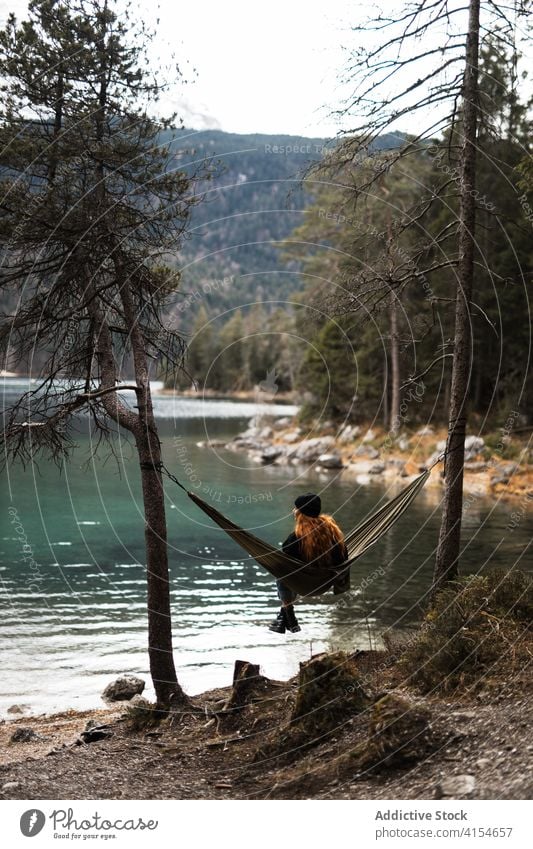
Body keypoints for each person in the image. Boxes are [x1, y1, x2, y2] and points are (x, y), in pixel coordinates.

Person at [269, 492, 348, 634]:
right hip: (324, 581)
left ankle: (287, 611)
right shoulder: (333, 532)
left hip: (303, 582)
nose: (293, 511)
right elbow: (343, 557)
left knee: (278, 566)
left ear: (302, 513)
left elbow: (285, 556)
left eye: (296, 508)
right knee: (285, 568)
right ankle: (283, 618)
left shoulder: (296, 538)